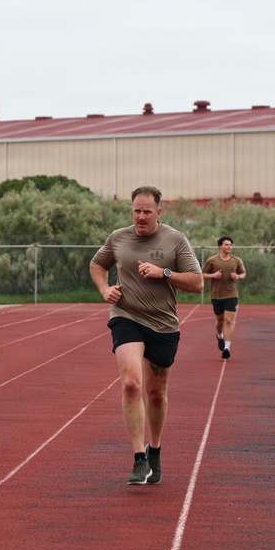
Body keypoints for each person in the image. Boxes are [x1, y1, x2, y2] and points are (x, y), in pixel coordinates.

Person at [90, 186, 203, 485]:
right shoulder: (118, 237)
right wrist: (105, 289)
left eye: (147, 212)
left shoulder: (175, 240)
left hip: (163, 324)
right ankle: (139, 457)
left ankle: (155, 450)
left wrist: (163, 273)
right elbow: (97, 264)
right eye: (136, 211)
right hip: (126, 316)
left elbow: (198, 283)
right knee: (130, 383)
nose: (140, 217)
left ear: (159, 212)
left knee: (156, 393)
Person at [202, 236, 246, 359]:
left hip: (231, 294)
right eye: (226, 245)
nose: (229, 247)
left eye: (230, 245)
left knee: (228, 320)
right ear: (220, 246)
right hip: (216, 295)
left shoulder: (236, 261)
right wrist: (213, 275)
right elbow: (202, 274)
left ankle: (227, 347)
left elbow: (243, 273)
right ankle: (219, 335)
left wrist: (238, 277)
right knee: (220, 321)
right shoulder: (212, 260)